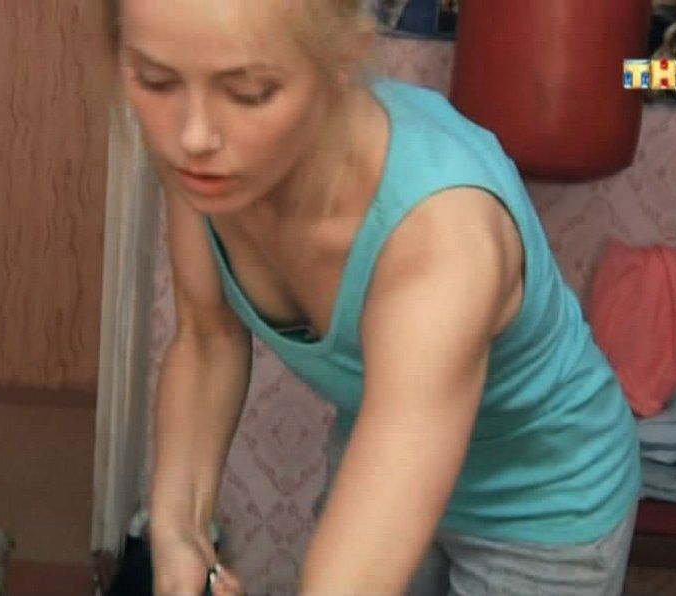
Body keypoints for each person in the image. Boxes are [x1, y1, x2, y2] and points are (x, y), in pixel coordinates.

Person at [102, 0, 641, 594]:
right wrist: (178, 528)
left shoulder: (443, 242)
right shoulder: (208, 162)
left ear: (343, 58)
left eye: (249, 92)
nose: (192, 136)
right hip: (381, 442)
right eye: (156, 79)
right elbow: (209, 338)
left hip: (544, 499)